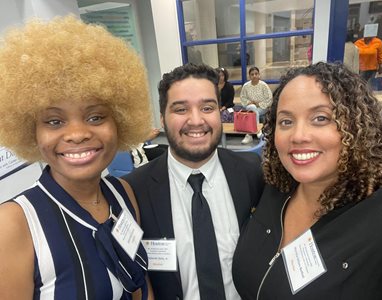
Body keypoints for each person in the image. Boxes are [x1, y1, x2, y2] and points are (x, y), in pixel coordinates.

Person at [0, 16, 154, 300]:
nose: (77, 134)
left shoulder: (124, 195)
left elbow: (140, 285)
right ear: (31, 131)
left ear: (120, 121)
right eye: (55, 121)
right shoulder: (13, 224)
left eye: (95, 116)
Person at [232, 62, 382, 299]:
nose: (299, 136)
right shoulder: (276, 186)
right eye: (286, 121)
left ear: (356, 125)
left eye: (320, 118)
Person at [123, 63, 264, 300]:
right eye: (180, 110)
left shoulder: (252, 172)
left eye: (207, 107)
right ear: (162, 119)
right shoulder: (134, 189)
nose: (196, 120)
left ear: (220, 112)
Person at [240, 66, 273, 144]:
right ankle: (258, 131)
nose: (254, 76)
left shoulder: (263, 85)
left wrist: (259, 104)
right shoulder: (246, 86)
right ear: (249, 76)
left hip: (262, 107)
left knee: (254, 111)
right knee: (252, 108)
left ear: (259, 75)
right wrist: (249, 102)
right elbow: (243, 98)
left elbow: (269, 98)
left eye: (256, 74)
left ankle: (249, 135)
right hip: (250, 106)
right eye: (252, 74)